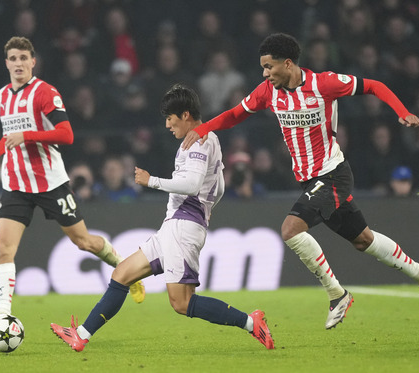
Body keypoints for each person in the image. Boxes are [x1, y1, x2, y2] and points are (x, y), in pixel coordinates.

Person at [182, 33, 419, 330]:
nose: (265, 74)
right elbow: (234, 115)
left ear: (288, 64)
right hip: (309, 182)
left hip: (333, 174)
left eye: (269, 67)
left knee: (290, 229)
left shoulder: (324, 84)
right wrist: (205, 128)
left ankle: (337, 295)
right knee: (363, 240)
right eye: (263, 68)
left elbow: (374, 86)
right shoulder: (268, 92)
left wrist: (403, 112)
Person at [50, 84, 275, 351]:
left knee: (181, 303)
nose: (167, 125)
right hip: (176, 226)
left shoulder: (198, 141)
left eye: (170, 118)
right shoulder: (205, 139)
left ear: (186, 115)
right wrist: (207, 206)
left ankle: (251, 323)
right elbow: (219, 186)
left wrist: (151, 181)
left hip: (183, 227)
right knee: (122, 274)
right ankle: (81, 335)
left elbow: (191, 185)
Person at [0, 37, 145, 332]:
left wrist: (27, 137)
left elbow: (66, 135)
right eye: (12, 58)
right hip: (15, 183)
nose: (18, 64)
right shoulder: (2, 95)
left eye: (23, 58)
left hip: (50, 182)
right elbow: (11, 132)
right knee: (4, 248)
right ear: (6, 63)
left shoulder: (44, 92)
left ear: (33, 61)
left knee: (83, 241)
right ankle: (2, 315)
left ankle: (128, 270)